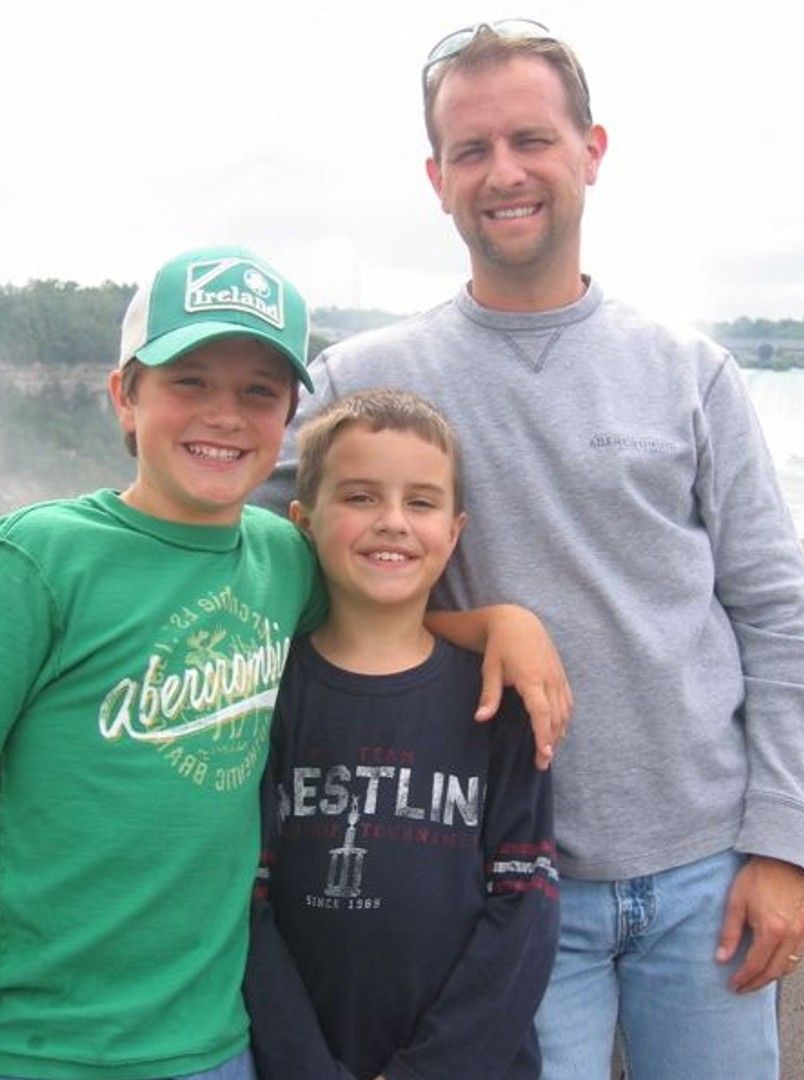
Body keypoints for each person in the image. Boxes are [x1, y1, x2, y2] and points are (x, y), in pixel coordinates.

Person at [256, 23, 804, 1080]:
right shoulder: (360, 382)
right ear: (436, 179)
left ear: (591, 152)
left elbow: (778, 618)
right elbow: (265, 578)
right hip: (503, 885)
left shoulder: (690, 373)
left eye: (532, 139)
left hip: (706, 876)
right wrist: (487, 624)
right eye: (471, 150)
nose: (503, 173)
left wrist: (785, 845)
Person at [0, 245, 569, 1080]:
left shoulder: (283, 562)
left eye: (258, 392)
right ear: (124, 396)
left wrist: (502, 623)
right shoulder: (34, 562)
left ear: (287, 414)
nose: (225, 415)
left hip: (220, 1041)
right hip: (41, 1047)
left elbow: (383, 619)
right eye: (189, 381)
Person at [243, 389, 559, 1080]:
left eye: (420, 503)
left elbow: (525, 909)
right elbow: (245, 909)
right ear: (302, 520)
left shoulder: (497, 699)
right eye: (359, 497)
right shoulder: (266, 698)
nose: (392, 523)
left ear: (455, 530)